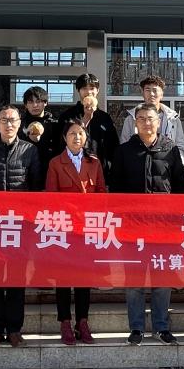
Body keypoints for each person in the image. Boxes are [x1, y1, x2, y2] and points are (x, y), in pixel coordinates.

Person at [111, 103, 184, 345]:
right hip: (132, 227)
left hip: (163, 227)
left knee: (162, 278)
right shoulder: (124, 151)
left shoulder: (170, 149)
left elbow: (181, 186)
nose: (146, 122)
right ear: (135, 123)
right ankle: (136, 328)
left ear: (159, 122)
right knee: (134, 279)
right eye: (142, 118)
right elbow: (115, 189)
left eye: (151, 118)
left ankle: (161, 327)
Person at [0, 105, 43, 347]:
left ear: (20, 123)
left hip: (19, 226)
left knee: (16, 278)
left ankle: (14, 328)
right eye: (4, 120)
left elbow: (36, 189)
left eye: (13, 120)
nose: (9, 124)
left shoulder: (30, 151)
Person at [45, 119, 107, 345]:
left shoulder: (94, 162)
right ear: (64, 137)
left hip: (86, 228)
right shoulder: (55, 163)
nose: (77, 137)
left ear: (86, 137)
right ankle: (64, 321)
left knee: (83, 277)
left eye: (81, 133)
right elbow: (51, 197)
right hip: (64, 228)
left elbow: (101, 193)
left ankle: (82, 321)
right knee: (63, 277)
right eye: (72, 133)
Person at [55, 73, 120, 174]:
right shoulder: (68, 116)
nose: (88, 92)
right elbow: (60, 145)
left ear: (97, 90)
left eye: (92, 88)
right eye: (84, 88)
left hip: (100, 172)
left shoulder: (105, 118)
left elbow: (113, 146)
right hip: (72, 172)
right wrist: (86, 118)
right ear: (78, 90)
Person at [119, 75, 184, 155]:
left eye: (155, 90)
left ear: (161, 94)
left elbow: (180, 148)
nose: (151, 94)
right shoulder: (131, 119)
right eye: (147, 90)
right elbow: (124, 147)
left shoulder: (173, 119)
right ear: (143, 93)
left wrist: (175, 162)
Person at [20, 86, 58, 173]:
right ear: (25, 105)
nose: (35, 105)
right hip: (23, 171)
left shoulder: (54, 125)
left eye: (38, 101)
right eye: (30, 102)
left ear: (45, 103)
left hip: (48, 170)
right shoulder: (19, 124)